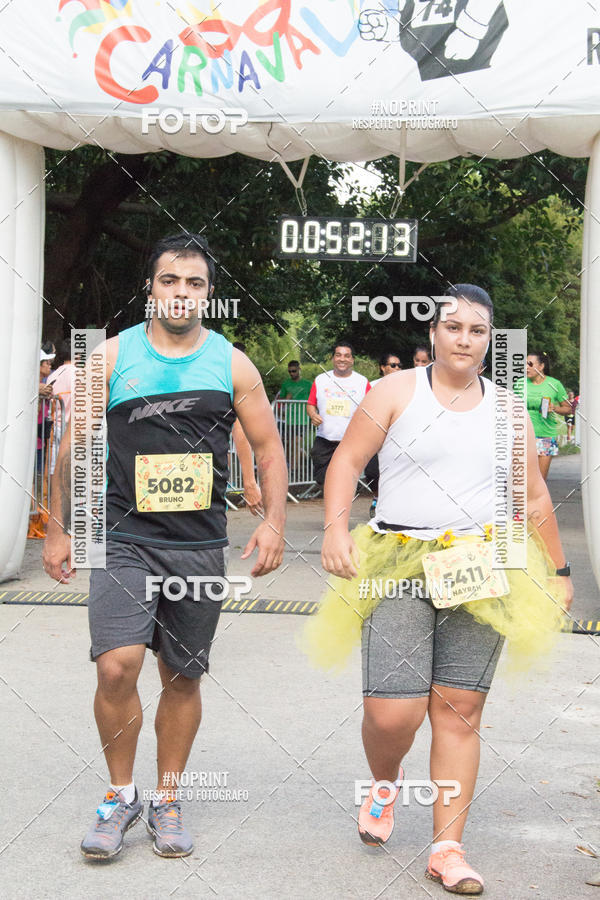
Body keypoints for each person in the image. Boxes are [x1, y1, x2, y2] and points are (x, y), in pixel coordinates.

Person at [304, 284, 572, 895]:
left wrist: (559, 571)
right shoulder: (398, 391)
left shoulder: (508, 410)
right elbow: (344, 462)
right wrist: (335, 529)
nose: (464, 339)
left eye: (478, 331)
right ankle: (384, 780)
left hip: (481, 564)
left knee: (460, 709)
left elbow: (531, 496)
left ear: (489, 340)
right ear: (433, 333)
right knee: (391, 712)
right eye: (453, 327)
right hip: (399, 558)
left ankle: (447, 847)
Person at [43, 233, 287, 861]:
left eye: (195, 283)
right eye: (170, 281)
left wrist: (274, 522)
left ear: (208, 293)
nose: (182, 293)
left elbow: (267, 447)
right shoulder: (111, 357)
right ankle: (120, 794)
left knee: (181, 675)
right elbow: (75, 448)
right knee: (115, 665)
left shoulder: (232, 363)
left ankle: (168, 797)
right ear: (151, 288)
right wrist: (63, 525)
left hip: (199, 546)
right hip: (120, 537)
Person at [306, 342, 370, 487]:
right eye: (338, 355)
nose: (342, 359)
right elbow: (311, 404)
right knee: (323, 480)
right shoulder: (321, 380)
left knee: (344, 481)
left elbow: (371, 409)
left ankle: (341, 508)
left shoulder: (362, 382)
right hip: (324, 440)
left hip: (350, 441)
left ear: (352, 360)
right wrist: (312, 415)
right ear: (333, 358)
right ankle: (334, 507)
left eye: (347, 356)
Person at [524, 351, 571, 480]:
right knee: (521, 482)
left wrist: (554, 408)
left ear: (541, 366)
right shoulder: (519, 383)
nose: (526, 367)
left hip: (545, 437)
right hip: (522, 437)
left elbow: (568, 408)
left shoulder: (554, 384)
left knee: (539, 481)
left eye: (530, 364)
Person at [365, 352, 402, 513]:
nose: (397, 368)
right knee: (372, 471)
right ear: (383, 367)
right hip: (375, 435)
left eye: (399, 366)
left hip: (397, 436)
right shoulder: (372, 386)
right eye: (393, 365)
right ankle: (377, 497)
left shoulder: (406, 386)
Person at [279, 360, 312, 478]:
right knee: (289, 445)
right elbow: (280, 399)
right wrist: (286, 399)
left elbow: (315, 399)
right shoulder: (286, 384)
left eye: (294, 371)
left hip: (302, 419)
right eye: (290, 371)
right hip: (289, 419)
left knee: (296, 442)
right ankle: (306, 459)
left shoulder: (308, 384)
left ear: (299, 369)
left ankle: (292, 471)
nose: (292, 373)